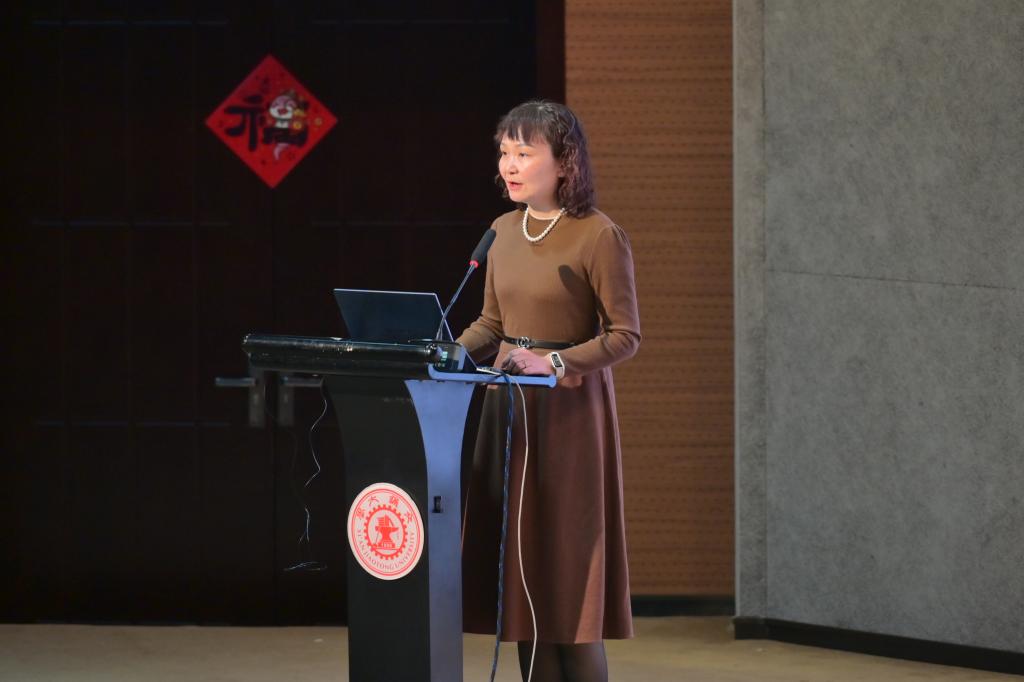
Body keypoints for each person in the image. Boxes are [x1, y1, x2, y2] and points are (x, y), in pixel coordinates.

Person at [458, 100, 641, 682]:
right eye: (504, 153)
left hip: (569, 418)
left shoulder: (599, 235)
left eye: (523, 153)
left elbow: (624, 336)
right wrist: (444, 353)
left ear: (564, 162)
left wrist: (554, 361)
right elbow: (492, 325)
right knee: (524, 589)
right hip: (508, 413)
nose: (509, 165)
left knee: (568, 591)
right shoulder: (501, 231)